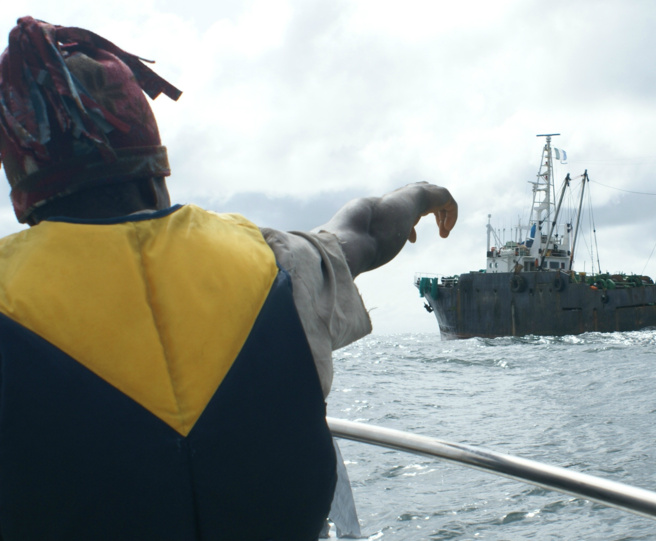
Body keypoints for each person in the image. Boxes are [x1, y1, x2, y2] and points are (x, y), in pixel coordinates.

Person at [0, 16, 457, 541]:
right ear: (154, 162)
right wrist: (423, 192)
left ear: (22, 181)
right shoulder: (275, 262)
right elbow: (370, 229)